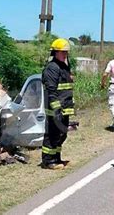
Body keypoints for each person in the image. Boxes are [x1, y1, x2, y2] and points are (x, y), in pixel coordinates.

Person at [41, 38, 75, 170]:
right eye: (62, 52)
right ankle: (48, 161)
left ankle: (57, 158)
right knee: (52, 134)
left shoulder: (63, 66)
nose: (65, 54)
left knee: (62, 133)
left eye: (66, 52)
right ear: (55, 52)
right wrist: (56, 108)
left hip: (64, 107)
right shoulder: (52, 68)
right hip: (55, 108)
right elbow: (51, 90)